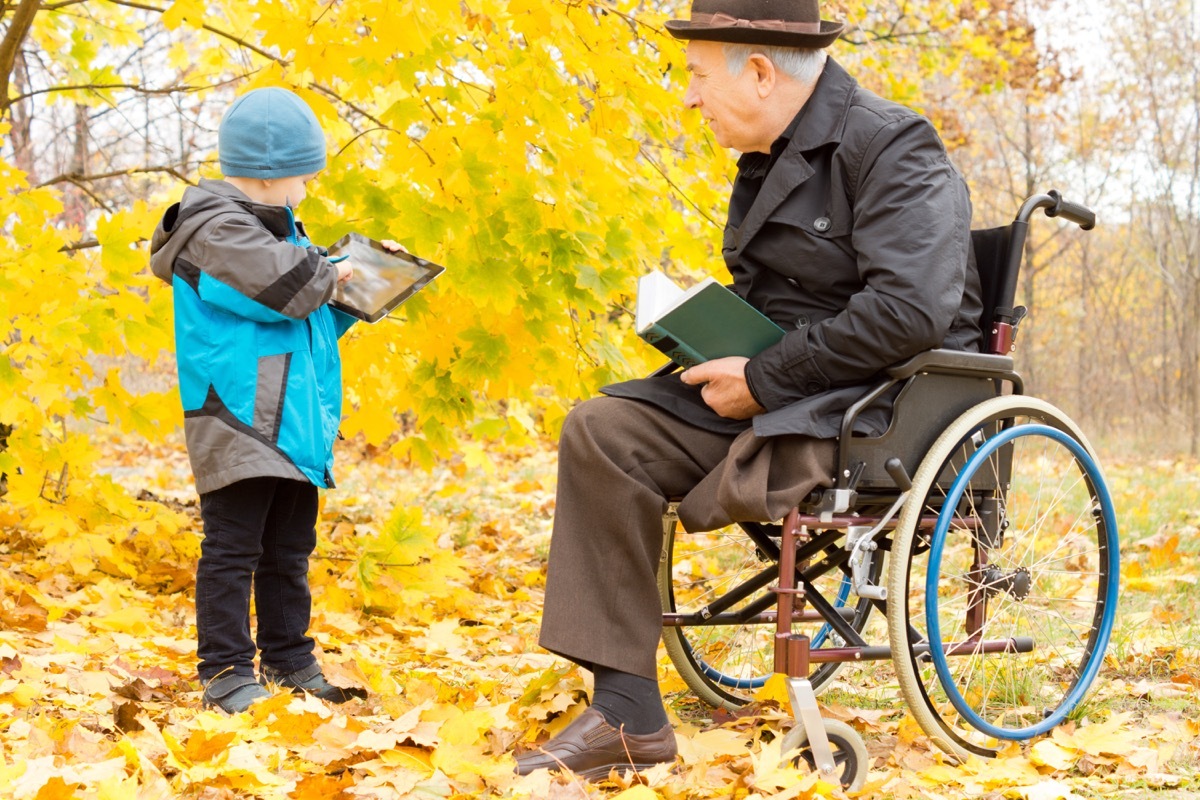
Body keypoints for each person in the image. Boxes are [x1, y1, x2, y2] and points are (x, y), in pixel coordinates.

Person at [515, 0, 983, 780]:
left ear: (760, 72)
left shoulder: (893, 146)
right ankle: (628, 714)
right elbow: (778, 301)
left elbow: (912, 310)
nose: (690, 97)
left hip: (872, 411)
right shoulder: (767, 160)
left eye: (698, 77)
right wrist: (706, 335)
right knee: (603, 428)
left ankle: (628, 716)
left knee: (653, 424)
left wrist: (763, 377)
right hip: (785, 388)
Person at [150, 87, 371, 713]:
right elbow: (284, 284)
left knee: (288, 549)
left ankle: (289, 659)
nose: (312, 183)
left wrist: (352, 297)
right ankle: (223, 669)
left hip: (292, 422)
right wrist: (331, 274)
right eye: (307, 172)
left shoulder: (272, 230)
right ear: (273, 174)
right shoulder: (215, 230)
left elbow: (294, 316)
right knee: (234, 546)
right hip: (242, 419)